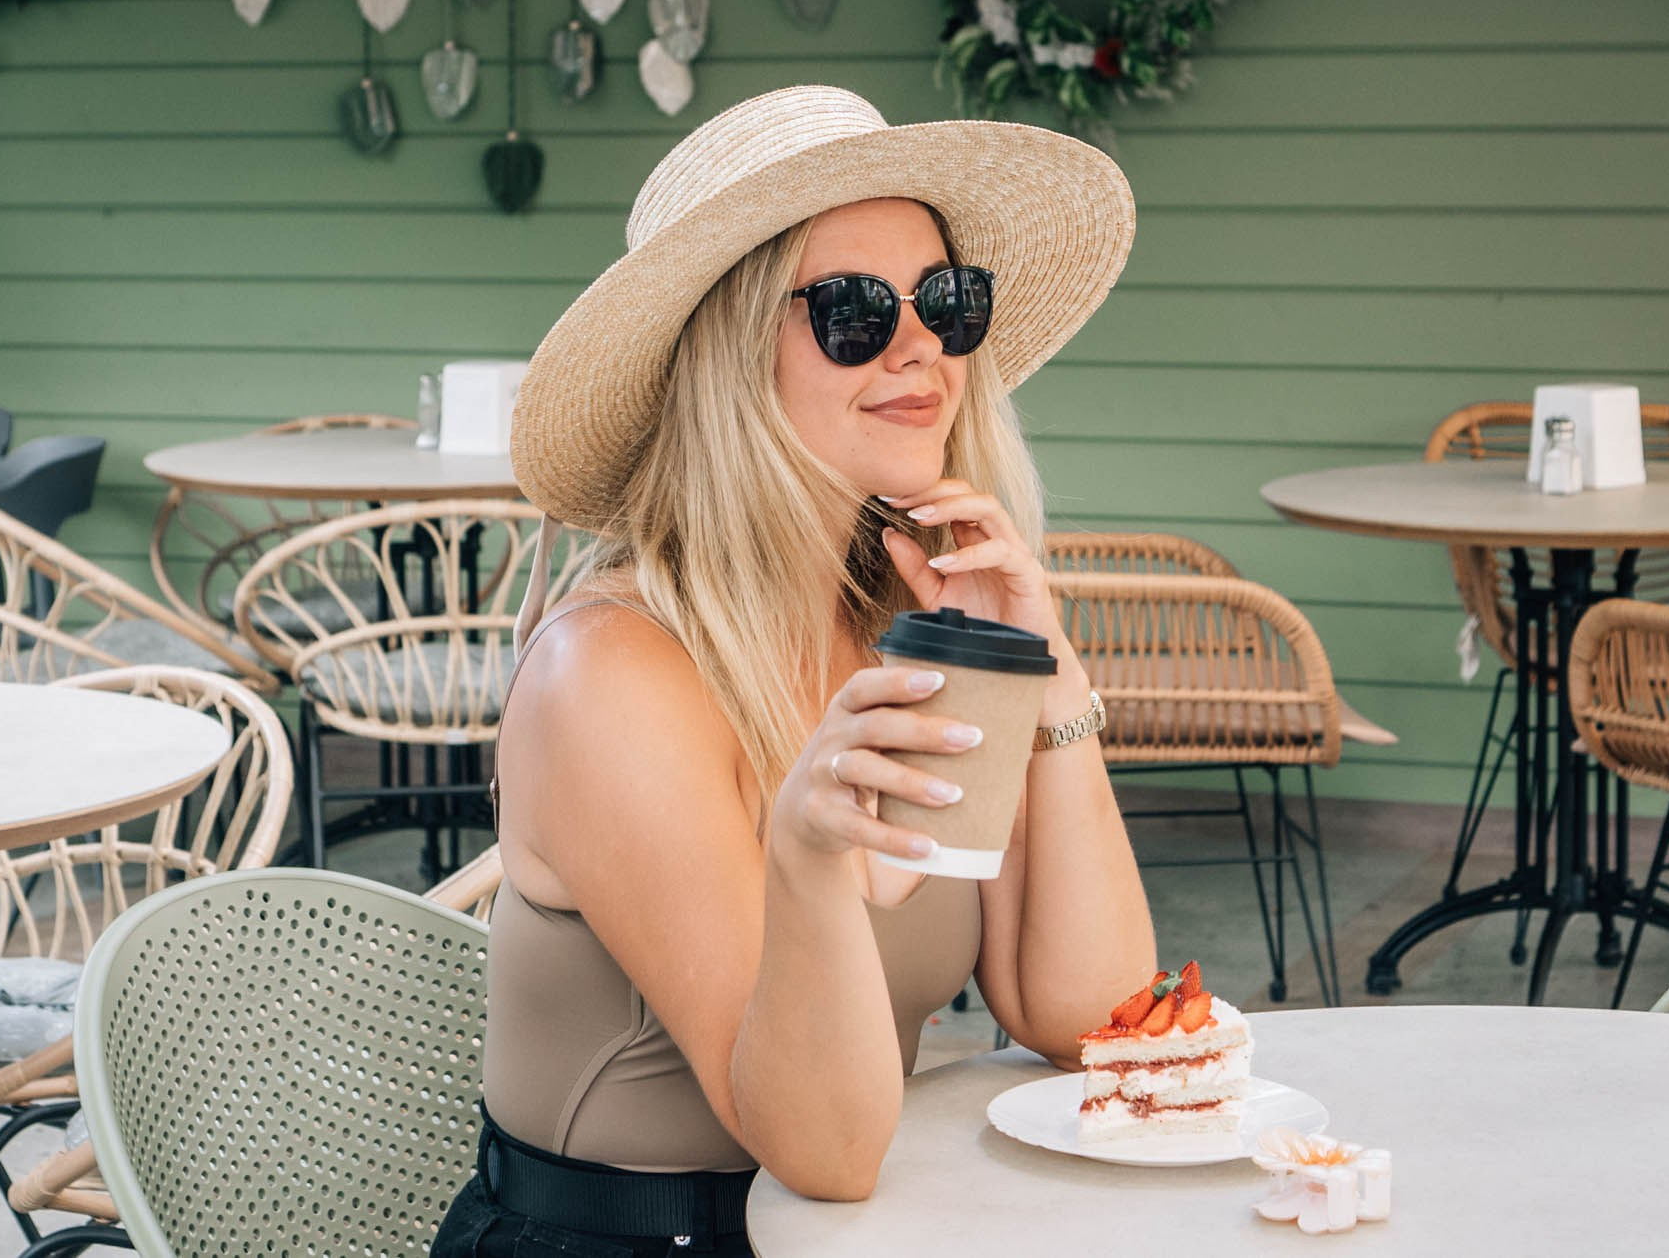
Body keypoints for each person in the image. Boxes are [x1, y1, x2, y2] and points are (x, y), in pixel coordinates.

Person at [435, 85, 1156, 1257]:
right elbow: (820, 1146)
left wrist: (1048, 677)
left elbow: (1090, 1018)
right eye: (854, 310)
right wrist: (808, 857)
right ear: (729, 359)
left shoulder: (904, 623)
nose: (919, 347)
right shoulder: (612, 671)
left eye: (946, 300)